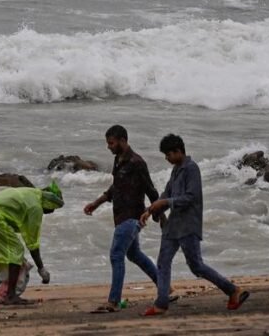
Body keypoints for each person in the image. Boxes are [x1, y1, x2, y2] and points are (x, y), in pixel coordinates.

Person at [139, 133, 249, 316]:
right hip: (173, 225)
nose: (167, 158)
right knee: (163, 262)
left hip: (189, 225)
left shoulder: (191, 169)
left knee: (196, 266)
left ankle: (233, 290)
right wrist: (150, 210)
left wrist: (165, 203)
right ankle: (161, 303)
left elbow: (191, 197)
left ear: (178, 151)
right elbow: (166, 193)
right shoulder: (176, 170)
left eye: (168, 154)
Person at [84, 124, 161, 313]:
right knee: (134, 254)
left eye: (111, 143)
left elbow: (151, 190)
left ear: (123, 141)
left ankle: (114, 301)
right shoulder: (118, 160)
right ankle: (165, 287)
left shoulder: (137, 163)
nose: (108, 146)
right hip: (120, 216)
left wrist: (159, 214)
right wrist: (96, 203)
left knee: (116, 254)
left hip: (132, 216)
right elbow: (115, 187)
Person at [0, 182, 63, 305]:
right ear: (48, 202)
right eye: (53, 208)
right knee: (16, 250)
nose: (52, 212)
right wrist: (41, 269)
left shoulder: (30, 193)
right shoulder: (35, 207)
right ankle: (11, 295)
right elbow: (32, 242)